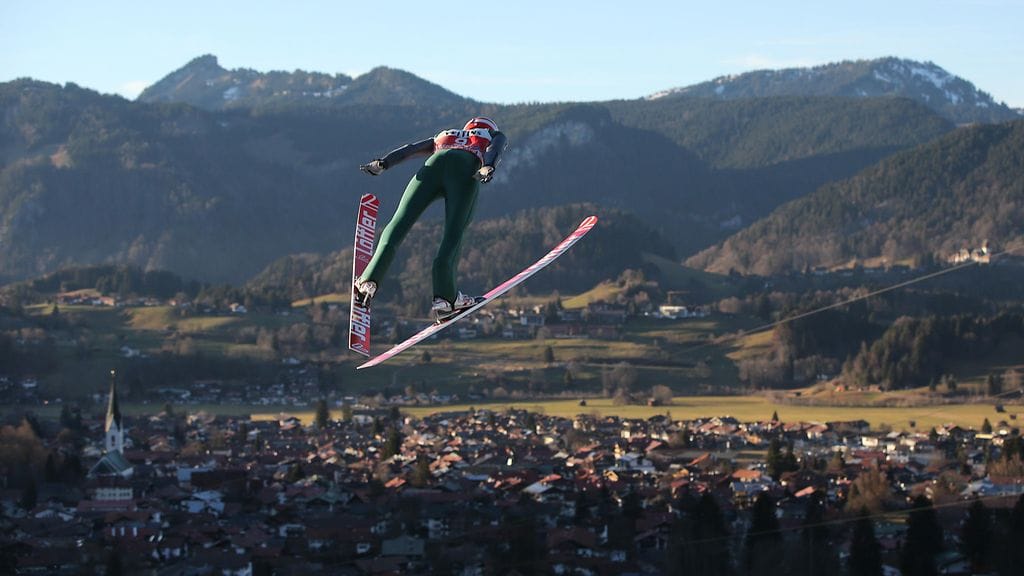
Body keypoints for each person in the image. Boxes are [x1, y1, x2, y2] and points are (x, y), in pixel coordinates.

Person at [354, 116, 508, 321]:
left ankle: (369, 280)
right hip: (464, 170)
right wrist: (488, 166)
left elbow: (410, 149)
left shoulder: (447, 133)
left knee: (400, 221)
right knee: (453, 234)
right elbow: (495, 148)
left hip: (433, 166)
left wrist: (384, 163)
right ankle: (445, 298)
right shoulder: (491, 134)